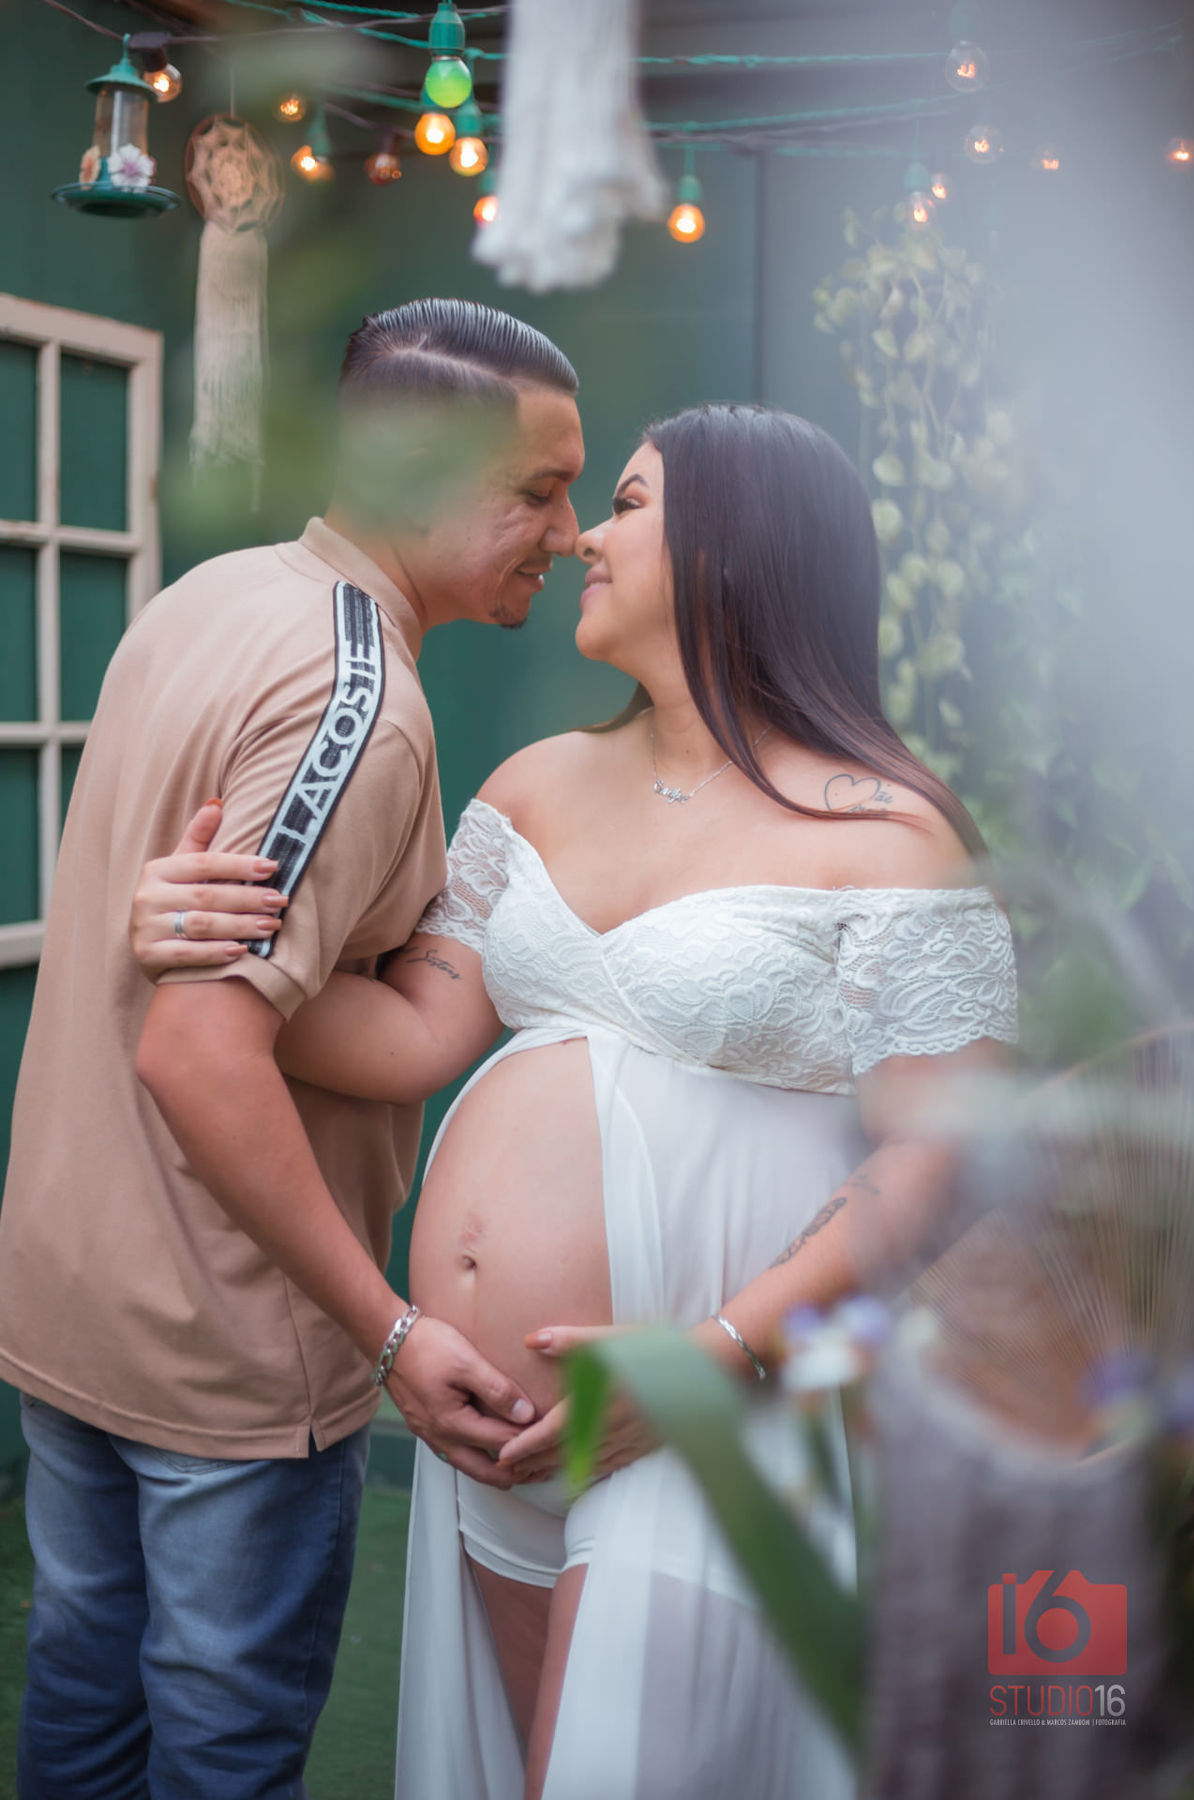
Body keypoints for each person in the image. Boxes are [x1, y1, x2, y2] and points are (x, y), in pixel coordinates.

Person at [130, 404, 1019, 1799]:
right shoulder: (534, 785)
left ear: (735, 549)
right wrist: (207, 939)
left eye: (628, 504)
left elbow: (939, 1159)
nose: (586, 538)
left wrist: (715, 1358)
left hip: (716, 1404)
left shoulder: (889, 834)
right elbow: (412, 1032)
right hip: (490, 1433)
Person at [0, 299, 587, 1800]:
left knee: (79, 1693)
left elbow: (184, 962)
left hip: (72, 1289)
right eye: (537, 491)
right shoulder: (357, 700)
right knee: (221, 1746)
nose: (570, 534)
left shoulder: (207, 597)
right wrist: (389, 1336)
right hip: (221, 1343)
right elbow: (197, 1050)